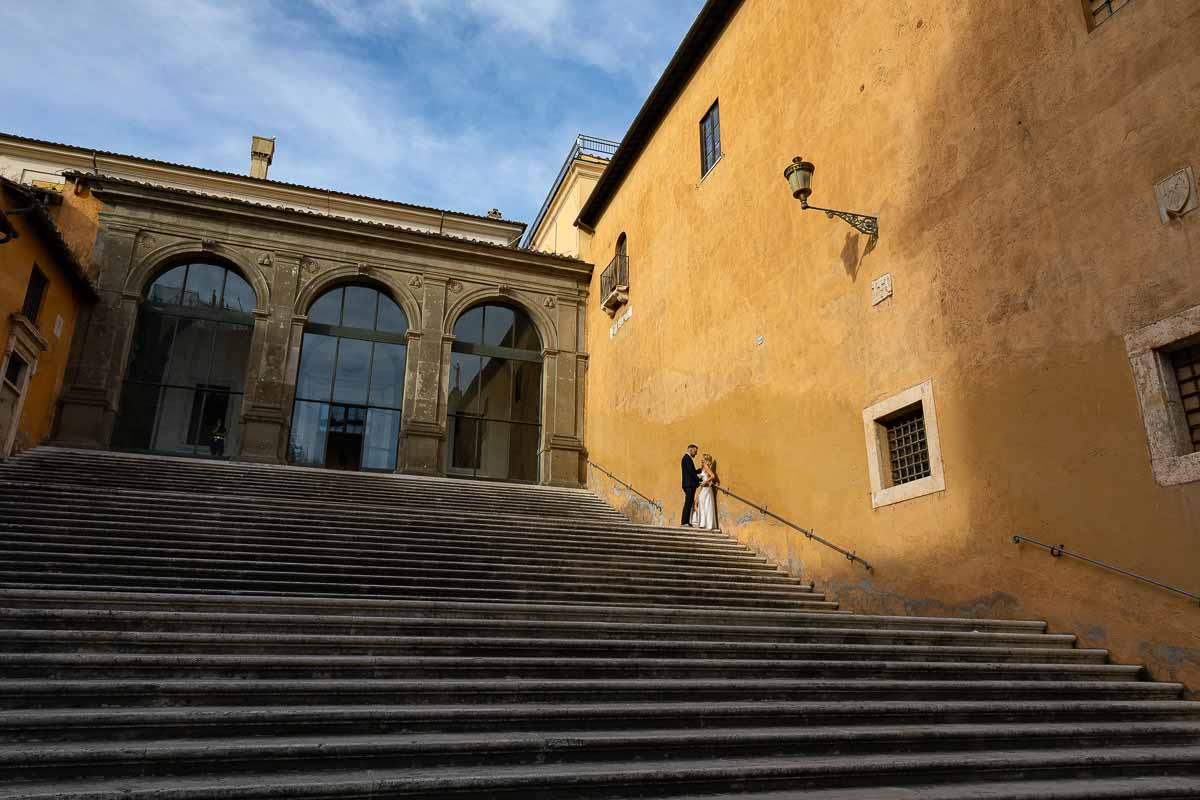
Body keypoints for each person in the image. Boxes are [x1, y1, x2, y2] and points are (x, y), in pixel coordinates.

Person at [696, 453, 719, 530]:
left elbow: (713, 476)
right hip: (705, 488)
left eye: (703, 458)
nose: (701, 459)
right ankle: (705, 523)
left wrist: (706, 481)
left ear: (706, 460)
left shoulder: (706, 467)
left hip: (706, 488)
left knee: (703, 503)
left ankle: (704, 523)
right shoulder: (704, 467)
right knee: (705, 504)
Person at [680, 444, 701, 527]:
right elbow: (691, 473)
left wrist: (700, 470)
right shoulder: (686, 458)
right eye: (695, 452)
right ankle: (684, 522)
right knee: (688, 502)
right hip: (689, 485)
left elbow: (692, 472)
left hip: (689, 484)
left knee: (689, 502)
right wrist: (699, 480)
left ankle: (686, 521)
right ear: (690, 449)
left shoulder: (687, 459)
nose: (695, 454)